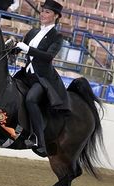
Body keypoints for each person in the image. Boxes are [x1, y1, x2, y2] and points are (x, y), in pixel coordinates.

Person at [14, 0, 70, 157]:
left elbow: (48, 56)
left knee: (31, 99)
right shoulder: (32, 32)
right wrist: (11, 48)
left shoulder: (57, 37)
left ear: (56, 16)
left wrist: (28, 49)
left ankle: (40, 141)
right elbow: (19, 49)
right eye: (42, 11)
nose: (43, 14)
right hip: (27, 75)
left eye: (47, 12)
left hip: (42, 78)